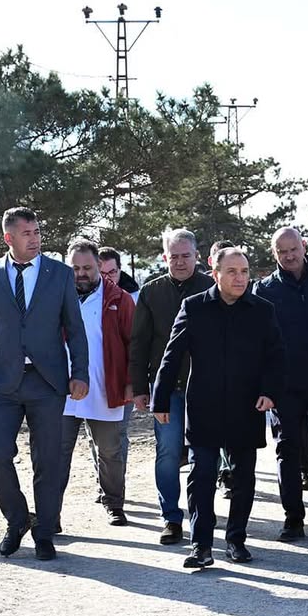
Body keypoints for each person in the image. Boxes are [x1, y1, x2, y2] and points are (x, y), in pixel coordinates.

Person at [0, 206, 89, 561]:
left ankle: (45, 531)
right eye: (27, 233)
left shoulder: (60, 274)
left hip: (47, 382)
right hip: (1, 382)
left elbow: (75, 329)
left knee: (48, 461)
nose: (35, 239)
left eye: (37, 232)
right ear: (9, 238)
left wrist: (79, 373)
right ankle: (17, 519)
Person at [152, 247, 284, 568]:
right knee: (202, 474)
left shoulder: (262, 310)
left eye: (244, 271)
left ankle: (236, 540)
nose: (240, 278)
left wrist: (270, 392)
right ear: (216, 274)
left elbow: (276, 357)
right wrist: (160, 398)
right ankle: (201, 545)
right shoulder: (194, 307)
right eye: (232, 272)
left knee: (242, 477)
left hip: (246, 407)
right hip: (204, 407)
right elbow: (172, 356)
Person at [255, 227, 308, 540]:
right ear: (274, 254)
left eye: (294, 249)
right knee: (287, 450)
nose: (289, 256)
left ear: (303, 247)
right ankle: (293, 517)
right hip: (284, 386)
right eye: (282, 252)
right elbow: (258, 343)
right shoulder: (264, 290)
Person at [130, 228, 214, 545]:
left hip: (206, 389)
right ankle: (171, 518)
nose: (179, 262)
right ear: (165, 256)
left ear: (196, 255)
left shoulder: (212, 287)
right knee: (167, 453)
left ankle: (201, 512)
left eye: (185, 256)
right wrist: (140, 387)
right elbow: (139, 344)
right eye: (173, 256)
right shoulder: (151, 293)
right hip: (166, 390)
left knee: (204, 454)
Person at [54, 239, 136, 529]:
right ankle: (52, 515)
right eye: (75, 268)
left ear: (99, 267)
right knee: (56, 453)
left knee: (110, 451)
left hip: (105, 387)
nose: (81, 273)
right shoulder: (55, 297)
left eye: (87, 267)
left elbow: (133, 345)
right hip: (61, 391)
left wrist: (131, 382)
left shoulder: (120, 299)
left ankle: (114, 503)